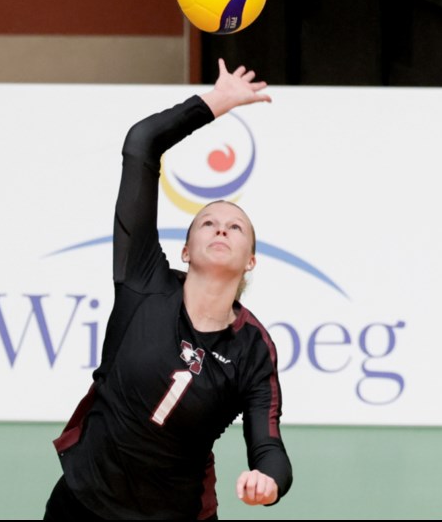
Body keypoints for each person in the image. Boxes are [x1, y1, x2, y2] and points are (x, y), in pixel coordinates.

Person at [44, 60, 293, 520]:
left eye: (235, 227)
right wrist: (215, 103)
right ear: (185, 250)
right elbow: (141, 145)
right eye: (209, 223)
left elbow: (269, 446)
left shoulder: (253, 349)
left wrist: (269, 481)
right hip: (85, 502)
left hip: (175, 514)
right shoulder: (143, 282)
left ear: (250, 260)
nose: (221, 230)